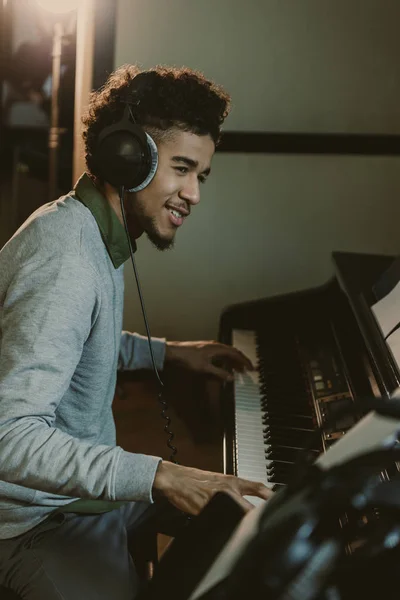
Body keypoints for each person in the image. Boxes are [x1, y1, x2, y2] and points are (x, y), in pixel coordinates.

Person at [0, 65, 271, 599]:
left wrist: (168, 353)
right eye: (181, 168)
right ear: (129, 158)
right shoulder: (66, 260)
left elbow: (70, 346)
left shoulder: (92, 230)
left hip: (77, 498)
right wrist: (161, 475)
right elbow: (7, 437)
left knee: (241, 534)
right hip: (30, 522)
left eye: (202, 175)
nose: (193, 193)